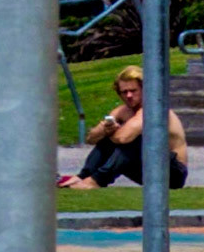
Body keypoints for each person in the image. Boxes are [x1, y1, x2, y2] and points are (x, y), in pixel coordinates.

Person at [60, 65, 189, 190]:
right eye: (124, 92)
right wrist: (105, 130)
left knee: (135, 141)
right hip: (148, 170)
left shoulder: (154, 110)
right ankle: (83, 176)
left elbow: (123, 138)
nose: (128, 96)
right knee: (107, 140)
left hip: (172, 173)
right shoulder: (123, 111)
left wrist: (110, 132)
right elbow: (91, 138)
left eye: (133, 91)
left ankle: (96, 181)